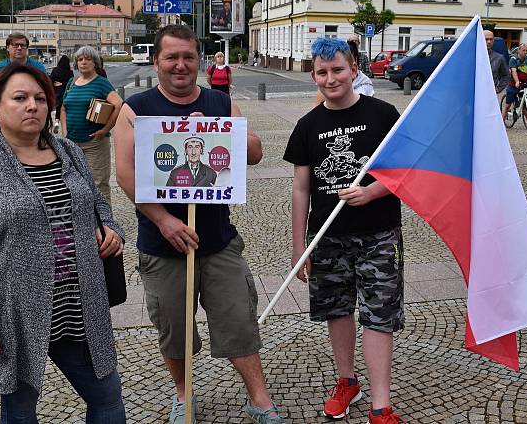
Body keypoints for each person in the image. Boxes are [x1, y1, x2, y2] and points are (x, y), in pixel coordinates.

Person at [114, 25, 284, 424]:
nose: (180, 65)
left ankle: (259, 399)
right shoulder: (135, 109)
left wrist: (217, 132)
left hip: (218, 241)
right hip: (163, 245)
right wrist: (164, 220)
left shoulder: (219, 102)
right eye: (171, 57)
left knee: (237, 316)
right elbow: (126, 174)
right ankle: (183, 394)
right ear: (156, 61)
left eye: (188, 57)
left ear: (200, 61)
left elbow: (255, 153)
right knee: (173, 327)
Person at [0, 64, 126, 423]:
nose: (33, 106)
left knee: (107, 398)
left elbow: (96, 201)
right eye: (20, 98)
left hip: (79, 307)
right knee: (20, 409)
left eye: (41, 99)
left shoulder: (70, 152)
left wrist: (109, 227)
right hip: (16, 315)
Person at [284, 37, 404, 423]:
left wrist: (371, 192)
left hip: (379, 233)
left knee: (378, 314)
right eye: (322, 72)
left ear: (354, 68)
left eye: (338, 69)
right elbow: (301, 188)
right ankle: (346, 380)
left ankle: (380, 403)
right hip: (327, 238)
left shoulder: (384, 114)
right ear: (313, 75)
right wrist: (299, 245)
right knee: (337, 310)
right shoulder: (307, 126)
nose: (330, 78)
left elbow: (405, 173)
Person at [60, 46, 122, 201]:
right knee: (75, 183)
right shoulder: (71, 82)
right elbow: (63, 108)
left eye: (87, 59)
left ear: (95, 62)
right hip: (72, 143)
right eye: (80, 59)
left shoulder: (101, 83)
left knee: (99, 183)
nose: (83, 62)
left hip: (94, 142)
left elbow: (118, 104)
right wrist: (65, 132)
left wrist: (106, 129)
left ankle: (104, 222)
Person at [501, 44, 527, 131]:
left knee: (525, 104)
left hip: (524, 83)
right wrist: (517, 81)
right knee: (507, 106)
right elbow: (514, 71)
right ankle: (501, 123)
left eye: (526, 51)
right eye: (523, 50)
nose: (525, 52)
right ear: (518, 51)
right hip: (513, 84)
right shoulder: (513, 59)